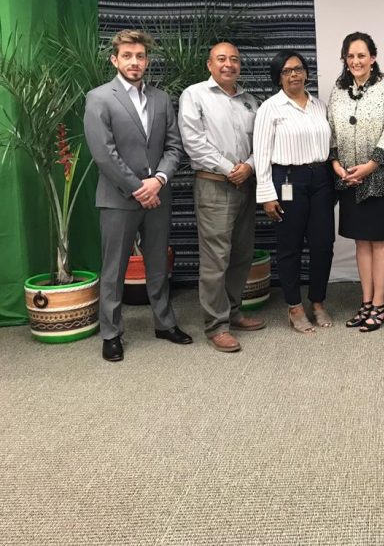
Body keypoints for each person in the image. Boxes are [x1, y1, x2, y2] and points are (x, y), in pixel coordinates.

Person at [84, 29, 190, 362]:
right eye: (127, 56)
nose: (134, 62)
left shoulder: (160, 99)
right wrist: (138, 188)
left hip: (158, 195)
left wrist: (158, 180)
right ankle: (111, 333)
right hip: (119, 199)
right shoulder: (99, 98)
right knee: (114, 269)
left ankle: (164, 323)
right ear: (115, 60)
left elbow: (174, 146)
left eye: (140, 56)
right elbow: (103, 154)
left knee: (158, 263)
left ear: (147, 60)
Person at [179, 41, 264, 353]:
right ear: (209, 64)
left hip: (246, 185)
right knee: (216, 259)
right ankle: (216, 325)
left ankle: (234, 312)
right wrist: (231, 169)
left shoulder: (250, 101)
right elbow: (193, 142)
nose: (229, 64)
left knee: (241, 254)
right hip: (214, 184)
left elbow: (263, 141)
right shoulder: (195, 95)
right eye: (222, 59)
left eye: (234, 60)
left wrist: (249, 167)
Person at [254, 50, 335, 334]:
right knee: (290, 247)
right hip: (287, 181)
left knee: (323, 244)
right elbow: (261, 154)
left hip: (321, 179)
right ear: (278, 77)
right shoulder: (270, 109)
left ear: (306, 73)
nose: (294, 75)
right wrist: (266, 195)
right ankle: (294, 307)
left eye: (298, 69)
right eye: (286, 71)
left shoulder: (319, 106)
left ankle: (317, 301)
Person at [328, 32, 384, 332]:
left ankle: (380, 304)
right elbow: (331, 130)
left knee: (380, 241)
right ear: (345, 60)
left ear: (373, 57)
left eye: (362, 55)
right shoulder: (337, 90)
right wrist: (336, 164)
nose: (356, 61)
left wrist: (370, 166)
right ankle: (366, 302)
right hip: (349, 179)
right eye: (351, 56)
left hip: (381, 178)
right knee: (361, 241)